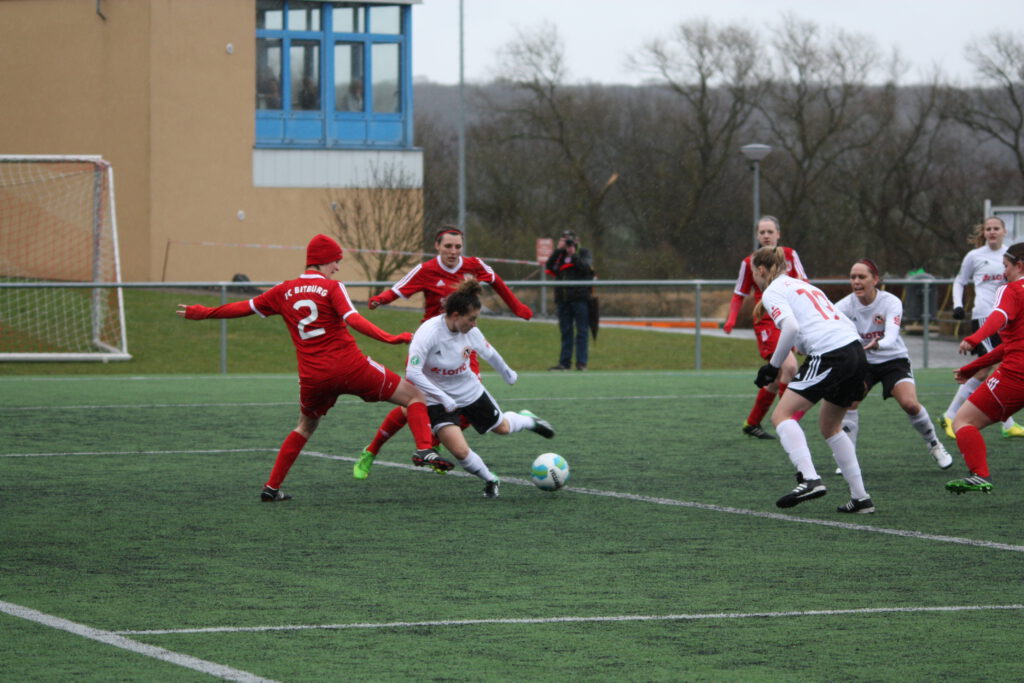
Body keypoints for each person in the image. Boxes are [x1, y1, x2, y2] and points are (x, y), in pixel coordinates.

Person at [176, 234, 454, 502]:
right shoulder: (332, 287)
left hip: (313, 377)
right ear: (323, 261)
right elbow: (354, 319)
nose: (337, 266)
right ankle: (424, 450)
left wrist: (201, 312)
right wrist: (389, 337)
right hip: (350, 368)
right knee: (414, 396)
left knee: (305, 427)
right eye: (336, 261)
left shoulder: (282, 290)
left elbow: (242, 307)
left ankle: (272, 487)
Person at [355, 225, 533, 475]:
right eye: (448, 246)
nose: (453, 251)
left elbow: (497, 282)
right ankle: (372, 451)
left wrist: (517, 307)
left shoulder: (473, 265)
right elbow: (399, 288)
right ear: (437, 246)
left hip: (462, 345)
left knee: (469, 404)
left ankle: (438, 444)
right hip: (430, 347)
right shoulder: (427, 270)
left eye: (458, 246)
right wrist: (381, 299)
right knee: (410, 405)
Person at [378, 278, 556, 497]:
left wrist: (508, 373)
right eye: (471, 319)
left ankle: (529, 421)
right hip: (436, 398)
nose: (474, 324)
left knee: (503, 428)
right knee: (460, 451)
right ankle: (491, 479)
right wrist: (443, 397)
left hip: (469, 391)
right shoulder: (428, 332)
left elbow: (489, 352)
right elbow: (413, 373)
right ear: (455, 316)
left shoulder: (471, 332)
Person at [751, 246, 874, 513]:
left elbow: (791, 327)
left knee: (781, 416)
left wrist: (773, 367)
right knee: (831, 426)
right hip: (854, 351)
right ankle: (861, 497)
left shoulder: (773, 291)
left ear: (761, 270)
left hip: (832, 354)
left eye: (755, 274)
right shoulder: (805, 286)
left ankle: (810, 479)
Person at [834, 259, 953, 470]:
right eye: (853, 277)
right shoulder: (843, 306)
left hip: (893, 359)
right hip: (863, 362)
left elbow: (891, 336)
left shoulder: (891, 302)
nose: (856, 281)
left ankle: (934, 444)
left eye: (862, 277)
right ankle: (848, 459)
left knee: (910, 404)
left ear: (875, 280)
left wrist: (878, 344)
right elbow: (826, 326)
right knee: (850, 402)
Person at [945, 242, 1024, 494]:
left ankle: (979, 474)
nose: (1004, 273)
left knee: (963, 421)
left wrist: (975, 337)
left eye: (1006, 267)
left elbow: (999, 316)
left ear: (1019, 265)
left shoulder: (1011, 290)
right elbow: (1011, 345)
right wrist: (974, 367)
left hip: (1017, 376)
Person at [939, 216, 1024, 439]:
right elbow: (960, 280)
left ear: (1005, 231)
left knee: (1005, 361)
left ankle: (1006, 423)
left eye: (996, 228)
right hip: (986, 318)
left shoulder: (1012, 255)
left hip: (1011, 321)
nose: (992, 232)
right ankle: (951, 414)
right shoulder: (974, 256)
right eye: (988, 229)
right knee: (987, 368)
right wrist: (958, 305)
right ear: (983, 233)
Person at [723, 216, 808, 439]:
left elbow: (804, 283)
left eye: (770, 231)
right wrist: (731, 319)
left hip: (790, 316)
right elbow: (739, 294)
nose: (766, 235)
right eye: (762, 232)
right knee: (789, 368)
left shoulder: (790, 254)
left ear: (778, 234)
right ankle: (787, 422)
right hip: (767, 320)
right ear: (757, 236)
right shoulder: (749, 262)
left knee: (777, 375)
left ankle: (752, 423)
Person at [545, 230, 595, 371]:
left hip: (580, 299)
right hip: (563, 299)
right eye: (565, 241)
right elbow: (549, 266)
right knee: (566, 332)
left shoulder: (583, 253)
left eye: (570, 241)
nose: (568, 244)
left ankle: (581, 363)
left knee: (582, 331)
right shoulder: (559, 256)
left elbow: (586, 269)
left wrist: (573, 255)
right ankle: (564, 363)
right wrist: (558, 250)